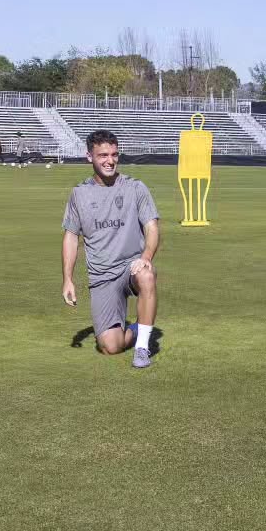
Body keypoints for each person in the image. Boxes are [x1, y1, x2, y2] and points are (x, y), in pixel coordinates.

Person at [61, 129, 159, 369]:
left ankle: (142, 347)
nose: (110, 160)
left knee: (146, 275)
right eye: (103, 155)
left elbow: (152, 227)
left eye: (114, 154)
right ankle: (137, 328)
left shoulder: (136, 187)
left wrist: (146, 257)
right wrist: (68, 279)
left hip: (130, 266)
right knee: (110, 347)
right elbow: (71, 237)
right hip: (102, 276)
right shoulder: (79, 194)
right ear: (89, 157)